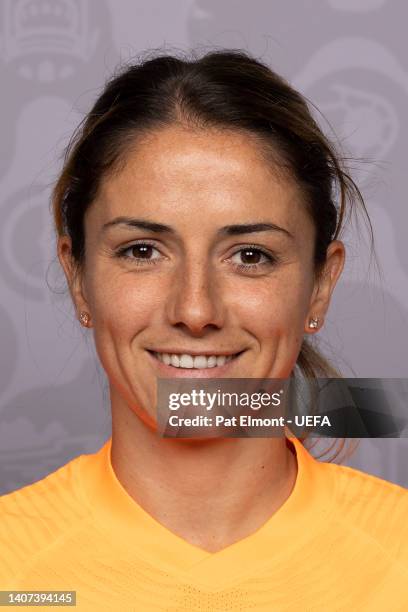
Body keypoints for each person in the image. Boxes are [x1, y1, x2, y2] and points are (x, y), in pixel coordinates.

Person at [0, 49, 407, 611]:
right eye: (142, 250)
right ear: (78, 277)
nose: (195, 310)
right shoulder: (11, 567)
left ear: (320, 284)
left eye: (250, 256)